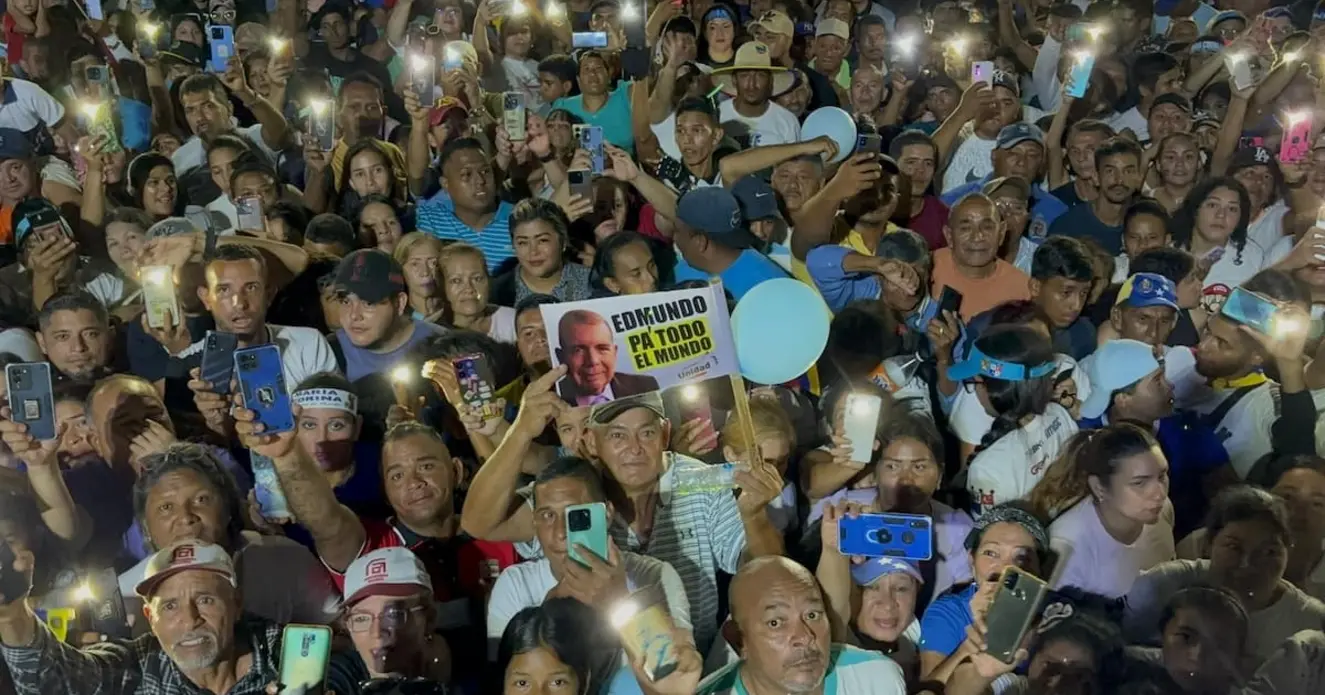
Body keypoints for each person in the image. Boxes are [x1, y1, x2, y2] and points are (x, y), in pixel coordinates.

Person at [464, 386, 785, 659]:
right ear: (592, 442)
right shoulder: (573, 494)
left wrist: (754, 516)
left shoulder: (698, 489)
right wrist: (520, 432)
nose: (634, 448)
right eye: (617, 435)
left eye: (646, 433)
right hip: (590, 666)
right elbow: (480, 523)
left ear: (665, 434)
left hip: (684, 659)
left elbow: (765, 576)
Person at [0, 539, 349, 694]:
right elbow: (53, 682)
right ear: (150, 618)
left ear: (237, 603)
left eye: (206, 600)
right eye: (169, 606)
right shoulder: (136, 667)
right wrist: (11, 610)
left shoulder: (293, 655)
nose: (190, 618)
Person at [484, 456, 691, 657]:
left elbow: (675, 677)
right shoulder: (516, 585)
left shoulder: (657, 577)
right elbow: (511, 682)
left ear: (607, 514)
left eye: (575, 515)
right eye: (547, 515)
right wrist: (549, 612)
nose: (560, 532)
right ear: (534, 521)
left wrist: (617, 601)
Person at [1123, 485, 1325, 663]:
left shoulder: (1311, 623)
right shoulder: (1161, 586)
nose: (1247, 564)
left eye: (1268, 552)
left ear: (1288, 550)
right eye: (1234, 547)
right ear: (1209, 544)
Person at [697, 556, 907, 694]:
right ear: (738, 640)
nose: (804, 637)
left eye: (813, 615)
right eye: (775, 623)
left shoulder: (877, 679)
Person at [1030, 423, 1176, 598]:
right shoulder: (1066, 551)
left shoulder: (1162, 509)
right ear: (1099, 487)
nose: (1159, 493)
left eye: (1162, 476)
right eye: (1139, 483)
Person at [949, 324, 1078, 516]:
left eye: (974, 383)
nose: (974, 390)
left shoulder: (987, 468)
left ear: (992, 389)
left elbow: (990, 537)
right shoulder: (1059, 415)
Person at [917, 502, 1051, 679]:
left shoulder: (1055, 617)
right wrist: (972, 644)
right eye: (991, 553)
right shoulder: (949, 613)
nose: (1006, 568)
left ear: (1040, 568)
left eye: (1022, 557)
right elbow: (929, 688)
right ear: (971, 561)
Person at [327, 547, 452, 689]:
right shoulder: (334, 676)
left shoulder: (476, 655)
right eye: (361, 619)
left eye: (394, 614)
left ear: (429, 619)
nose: (377, 632)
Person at [331, 248, 446, 383]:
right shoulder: (329, 352)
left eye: (369, 303)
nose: (354, 316)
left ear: (400, 303)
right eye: (346, 302)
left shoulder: (441, 345)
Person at [671, 186, 790, 300]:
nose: (674, 237)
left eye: (677, 230)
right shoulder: (687, 267)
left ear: (700, 243)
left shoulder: (768, 292)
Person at [1048, 138, 1145, 255]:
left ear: (1139, 177)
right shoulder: (1067, 228)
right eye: (1110, 171)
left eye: (1128, 171)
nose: (1119, 180)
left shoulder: (1148, 226)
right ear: (1096, 177)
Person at [553, 309, 659, 404]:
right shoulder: (550, 401)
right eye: (578, 350)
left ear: (614, 352)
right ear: (561, 356)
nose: (593, 361)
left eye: (602, 348)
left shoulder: (645, 387)